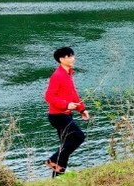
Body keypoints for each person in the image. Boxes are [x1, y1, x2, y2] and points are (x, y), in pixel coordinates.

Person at [44, 46, 90, 176]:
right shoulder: (57, 75)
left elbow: (73, 94)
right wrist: (66, 105)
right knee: (79, 136)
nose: (72, 58)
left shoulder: (68, 73)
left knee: (65, 146)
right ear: (61, 59)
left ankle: (58, 177)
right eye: (68, 56)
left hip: (64, 115)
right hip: (58, 116)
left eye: (72, 56)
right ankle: (52, 160)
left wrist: (82, 109)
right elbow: (48, 96)